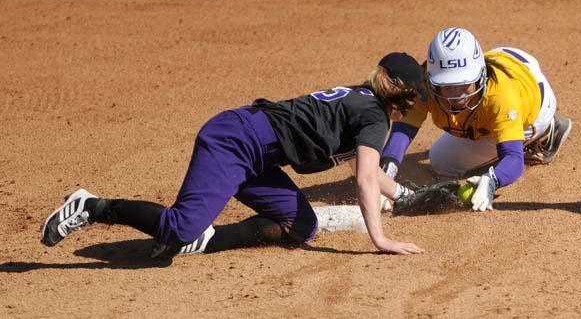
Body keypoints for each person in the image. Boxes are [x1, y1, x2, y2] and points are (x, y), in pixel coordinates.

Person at [40, 52, 426, 257]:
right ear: (403, 96)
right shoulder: (375, 118)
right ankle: (91, 206)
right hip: (234, 142)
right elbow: (363, 180)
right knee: (178, 224)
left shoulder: (361, 99)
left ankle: (202, 239)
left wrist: (406, 196)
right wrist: (381, 239)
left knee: (302, 226)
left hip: (258, 154)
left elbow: (369, 169)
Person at [380, 27, 572, 212]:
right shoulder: (425, 86)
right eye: (448, 85)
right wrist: (385, 174)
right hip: (506, 60)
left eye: (464, 84)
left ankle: (547, 134)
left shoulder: (500, 97)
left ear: (480, 75)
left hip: (536, 106)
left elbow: (513, 158)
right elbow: (402, 131)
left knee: (453, 158)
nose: (457, 95)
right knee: (441, 160)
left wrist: (492, 179)